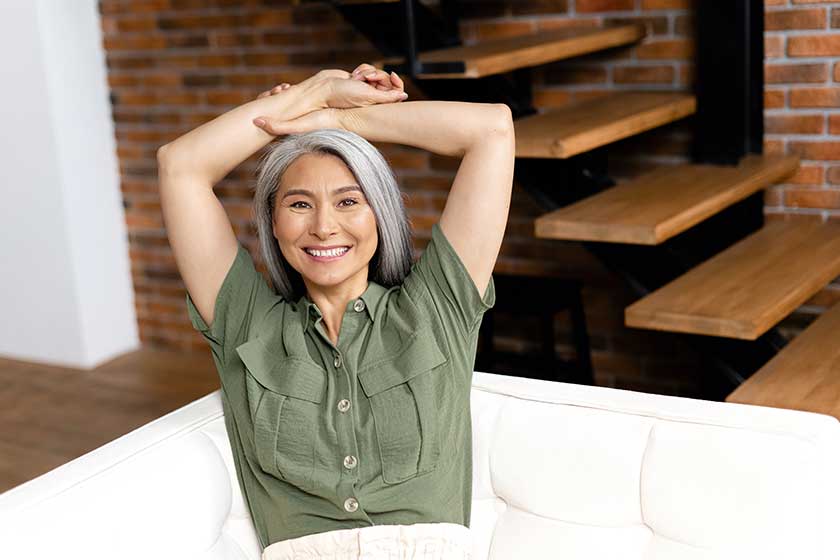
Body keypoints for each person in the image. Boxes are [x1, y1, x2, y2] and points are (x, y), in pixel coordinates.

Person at [157, 63, 515, 560]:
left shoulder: (437, 307)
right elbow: (180, 166)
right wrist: (314, 90)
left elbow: (492, 130)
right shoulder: (247, 323)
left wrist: (340, 120)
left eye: (349, 201)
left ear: (380, 215)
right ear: (274, 224)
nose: (325, 227)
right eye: (299, 205)